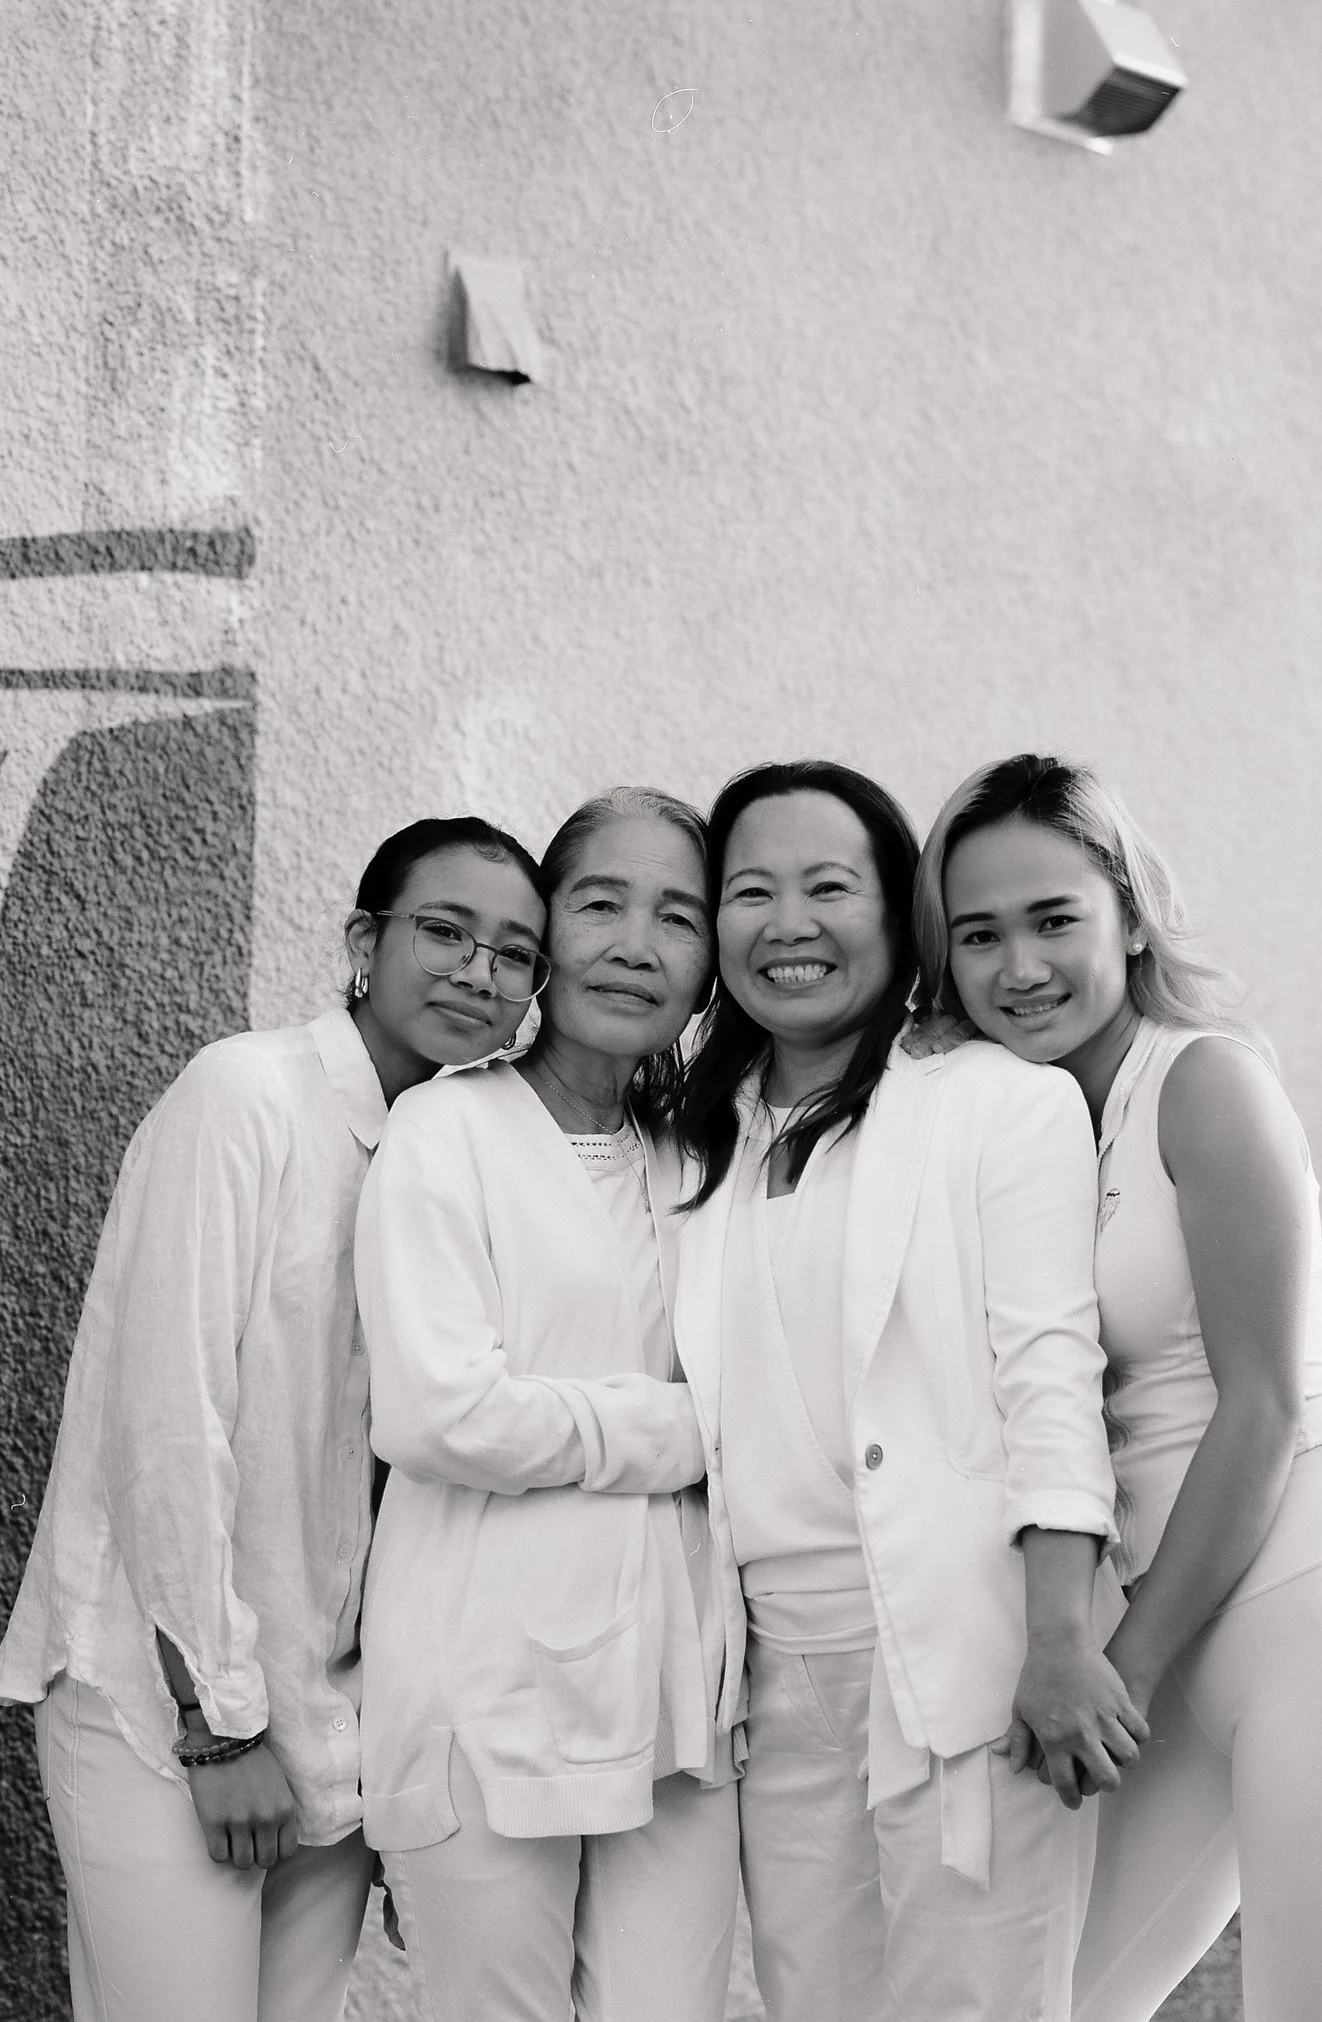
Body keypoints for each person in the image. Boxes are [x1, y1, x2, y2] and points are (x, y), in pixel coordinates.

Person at [912, 753, 1322, 2022]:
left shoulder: (1205, 1083)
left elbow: (1263, 1406)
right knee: (1043, 2004)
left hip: (1321, 1629)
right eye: (979, 935)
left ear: (1127, 906)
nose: (1019, 967)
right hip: (1169, 1637)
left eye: (1054, 919)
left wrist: (1120, 1661)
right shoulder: (1027, 1115)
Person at [0, 815, 549, 2022]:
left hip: (335, 1729)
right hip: (170, 1711)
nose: (477, 971)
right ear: (362, 940)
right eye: (444, 931)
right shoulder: (246, 1092)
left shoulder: (454, 1159)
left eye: (514, 955)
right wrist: (218, 1730)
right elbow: (167, 1423)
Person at [667, 759, 1140, 2022]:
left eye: (830, 886)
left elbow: (1052, 1386)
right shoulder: (694, 1143)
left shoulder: (996, 1105)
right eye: (750, 891)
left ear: (899, 913)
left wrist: (1053, 1639)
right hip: (769, 1677)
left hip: (950, 1650)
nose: (788, 924)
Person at [354, 787, 744, 2022]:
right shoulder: (445, 1130)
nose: (637, 943)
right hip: (482, 1697)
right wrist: (688, 1431)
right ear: (542, 940)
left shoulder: (710, 1158)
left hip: (682, 1702)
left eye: (677, 916)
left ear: (708, 971)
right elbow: (436, 1414)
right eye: (599, 904)